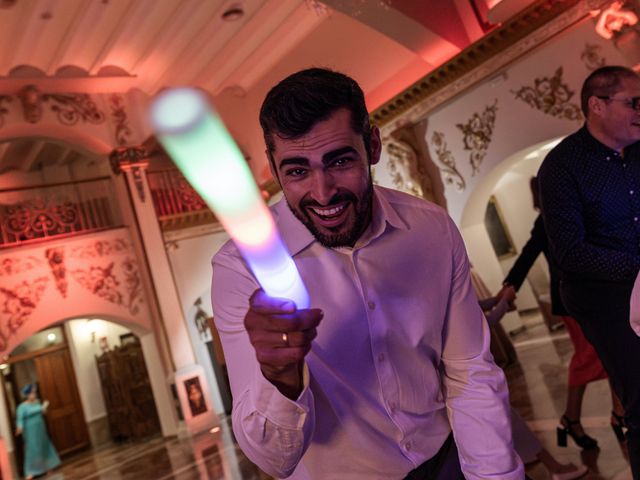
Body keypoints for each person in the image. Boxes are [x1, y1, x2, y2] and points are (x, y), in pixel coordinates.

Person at [211, 67, 523, 479]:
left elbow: (470, 370)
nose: (323, 193)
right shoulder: (240, 269)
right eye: (298, 170)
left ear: (372, 144)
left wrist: (497, 476)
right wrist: (279, 377)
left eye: (339, 161)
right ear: (272, 166)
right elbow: (273, 460)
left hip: (448, 458)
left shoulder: (431, 230)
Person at [538, 65, 640, 478]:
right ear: (596, 106)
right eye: (634, 102)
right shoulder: (562, 167)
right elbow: (571, 253)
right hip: (605, 297)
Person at [499, 177, 624, 450]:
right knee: (589, 358)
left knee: (612, 355)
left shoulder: (579, 214)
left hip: (599, 298)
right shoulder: (546, 221)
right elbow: (527, 255)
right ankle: (571, 419)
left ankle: (617, 416)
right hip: (572, 302)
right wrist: (510, 286)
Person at [478, 286, 588, 480]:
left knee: (508, 423)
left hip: (472, 381)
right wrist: (502, 303)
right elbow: (483, 325)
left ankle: (553, 467)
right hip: (469, 382)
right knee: (506, 424)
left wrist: (496, 301)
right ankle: (554, 468)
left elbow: (470, 309)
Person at [15, 384, 60, 480]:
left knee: (44, 447)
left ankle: (47, 467)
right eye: (31, 393)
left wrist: (43, 409)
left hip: (40, 430)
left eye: (34, 393)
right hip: (30, 432)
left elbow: (42, 412)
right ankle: (31, 472)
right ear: (27, 395)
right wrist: (20, 427)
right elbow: (20, 419)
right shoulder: (22, 407)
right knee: (32, 449)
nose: (33, 395)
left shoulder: (37, 403)